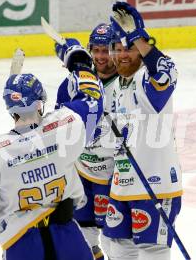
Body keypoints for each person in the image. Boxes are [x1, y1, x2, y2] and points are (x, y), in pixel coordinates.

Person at [0, 44, 104, 260]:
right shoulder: (66, 126)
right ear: (41, 102)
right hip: (68, 238)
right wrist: (78, 62)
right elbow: (92, 99)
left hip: (22, 244)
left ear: (9, 109)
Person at [101, 2, 183, 260]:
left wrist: (139, 36)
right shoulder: (114, 86)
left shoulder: (146, 79)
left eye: (130, 49)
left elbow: (167, 70)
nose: (123, 54)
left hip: (154, 182)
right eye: (118, 48)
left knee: (152, 251)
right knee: (115, 246)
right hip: (122, 183)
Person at [54, 23, 118, 260]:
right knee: (84, 239)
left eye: (106, 50)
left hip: (113, 175)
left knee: (116, 241)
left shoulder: (125, 82)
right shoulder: (75, 82)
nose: (100, 57)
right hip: (81, 172)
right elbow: (59, 124)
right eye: (96, 50)